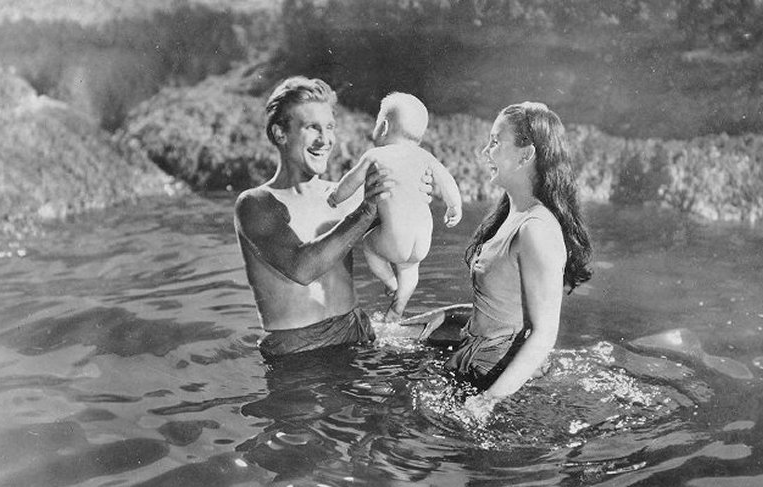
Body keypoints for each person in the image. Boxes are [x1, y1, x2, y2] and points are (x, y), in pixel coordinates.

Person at [233, 76, 432, 359]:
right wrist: (365, 211)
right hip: (299, 353)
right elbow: (301, 268)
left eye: (329, 127)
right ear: (280, 134)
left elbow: (399, 228)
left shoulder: (341, 195)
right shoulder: (256, 203)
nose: (325, 140)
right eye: (312, 127)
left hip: (357, 332)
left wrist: (414, 196)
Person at [422, 101, 592, 415]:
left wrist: (489, 401)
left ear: (526, 155)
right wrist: (445, 317)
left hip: (498, 379)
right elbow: (504, 308)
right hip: (476, 360)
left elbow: (544, 334)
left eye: (495, 142)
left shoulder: (536, 229)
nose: (485, 152)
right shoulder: (510, 215)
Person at [327, 93, 462, 322]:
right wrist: (454, 206)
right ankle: (398, 308)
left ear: (385, 126)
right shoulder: (425, 156)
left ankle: (390, 283)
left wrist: (335, 197)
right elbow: (447, 180)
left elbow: (350, 182)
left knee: (369, 245)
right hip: (422, 241)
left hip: (394, 237)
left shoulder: (375, 155)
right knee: (410, 268)